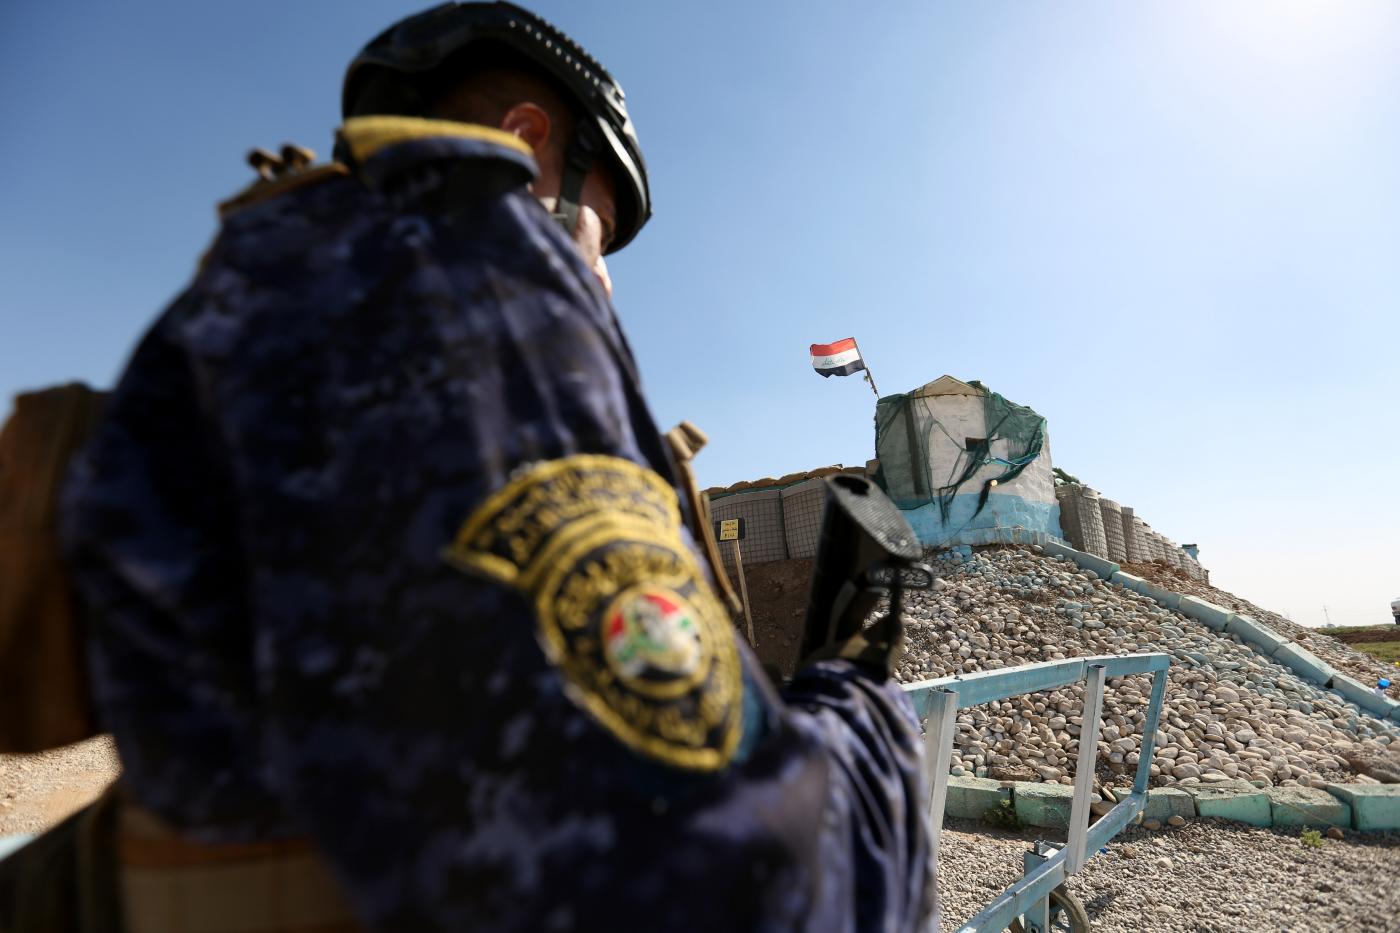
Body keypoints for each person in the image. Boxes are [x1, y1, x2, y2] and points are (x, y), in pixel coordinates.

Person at [48, 3, 934, 930]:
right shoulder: (474, 276)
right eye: (599, 234)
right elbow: (739, 880)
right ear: (525, 140)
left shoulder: (245, 295)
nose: (602, 281)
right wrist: (863, 702)